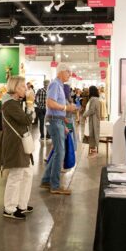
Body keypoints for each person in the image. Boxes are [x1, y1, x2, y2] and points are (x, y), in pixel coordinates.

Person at [0, 76, 34, 220]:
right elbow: (27, 119)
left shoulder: (15, 103)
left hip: (20, 142)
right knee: (16, 175)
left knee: (27, 173)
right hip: (15, 144)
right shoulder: (10, 104)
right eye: (22, 86)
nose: (25, 88)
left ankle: (21, 204)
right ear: (15, 88)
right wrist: (30, 104)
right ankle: (9, 208)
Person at [40, 64, 76, 195]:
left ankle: (46, 180)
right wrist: (66, 108)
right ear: (61, 72)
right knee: (60, 152)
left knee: (57, 152)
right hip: (54, 121)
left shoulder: (59, 85)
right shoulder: (55, 84)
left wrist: (63, 119)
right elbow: (50, 103)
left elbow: (53, 106)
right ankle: (54, 186)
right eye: (68, 72)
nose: (70, 75)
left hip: (57, 120)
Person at [83, 86, 102, 156]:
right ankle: (92, 151)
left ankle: (93, 152)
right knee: (91, 134)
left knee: (92, 134)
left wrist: (84, 115)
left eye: (89, 90)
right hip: (90, 120)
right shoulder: (93, 99)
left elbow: (92, 110)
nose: (88, 92)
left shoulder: (94, 99)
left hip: (93, 120)